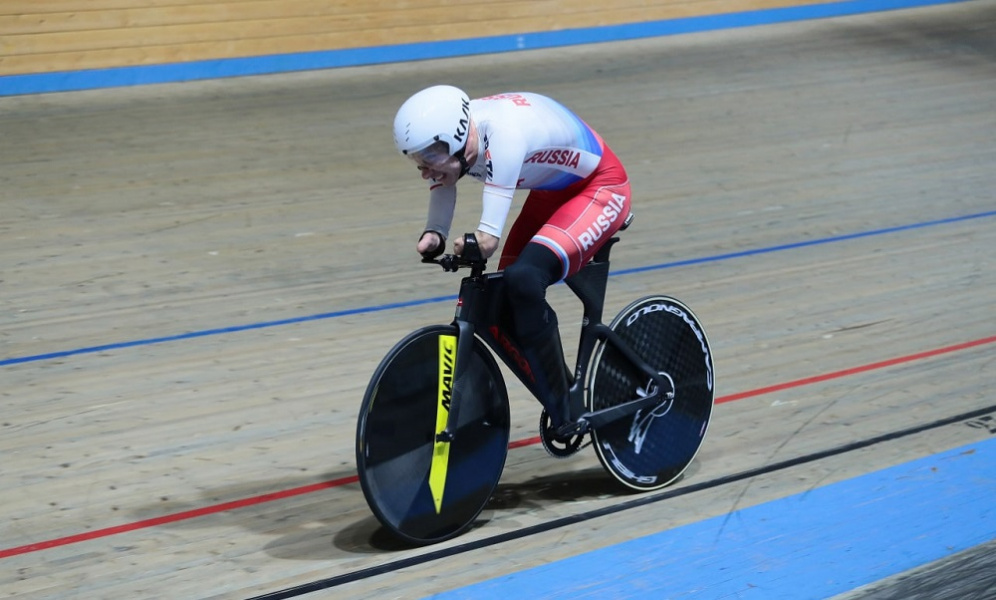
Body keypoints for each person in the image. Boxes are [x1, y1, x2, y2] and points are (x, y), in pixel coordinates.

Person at [392, 85, 632, 437]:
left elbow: (488, 240)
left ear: (455, 139)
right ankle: (565, 392)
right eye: (417, 161)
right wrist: (436, 232)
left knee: (524, 280)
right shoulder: (460, 136)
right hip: (553, 190)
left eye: (428, 159)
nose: (425, 171)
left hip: (600, 188)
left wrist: (471, 244)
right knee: (504, 296)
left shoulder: (504, 135)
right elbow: (444, 182)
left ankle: (565, 406)